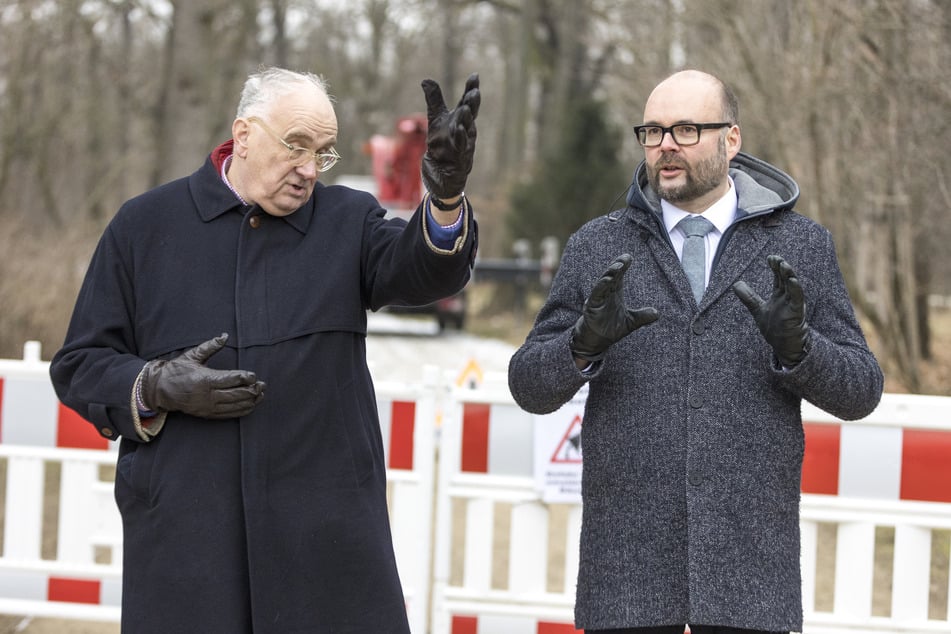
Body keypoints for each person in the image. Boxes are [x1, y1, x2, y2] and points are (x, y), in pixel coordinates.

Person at [50, 66, 480, 633]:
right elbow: (80, 364)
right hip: (189, 545)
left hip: (325, 548)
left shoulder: (347, 222)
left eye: (322, 153)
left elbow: (424, 270)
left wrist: (445, 197)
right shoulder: (143, 227)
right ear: (244, 135)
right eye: (295, 146)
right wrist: (153, 386)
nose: (308, 170)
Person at [508, 70, 883, 634]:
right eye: (653, 132)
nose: (665, 147)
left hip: (750, 576)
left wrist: (801, 351)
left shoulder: (801, 245)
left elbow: (861, 390)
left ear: (731, 139)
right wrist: (579, 347)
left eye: (685, 130)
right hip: (626, 575)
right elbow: (528, 386)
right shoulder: (598, 244)